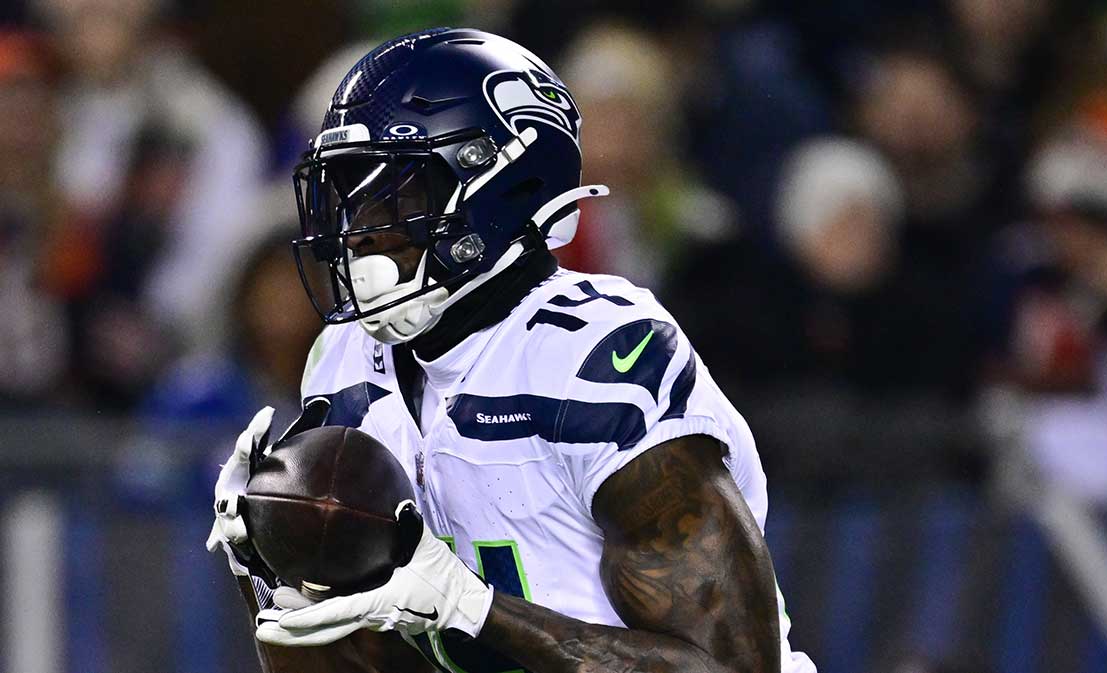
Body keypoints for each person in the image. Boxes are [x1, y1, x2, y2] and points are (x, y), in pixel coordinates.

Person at [205, 28, 816, 673]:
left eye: (397, 196)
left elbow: (731, 669)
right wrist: (276, 577)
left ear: (500, 189)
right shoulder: (345, 359)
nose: (358, 232)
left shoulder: (596, 358)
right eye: (350, 198)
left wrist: (473, 608)